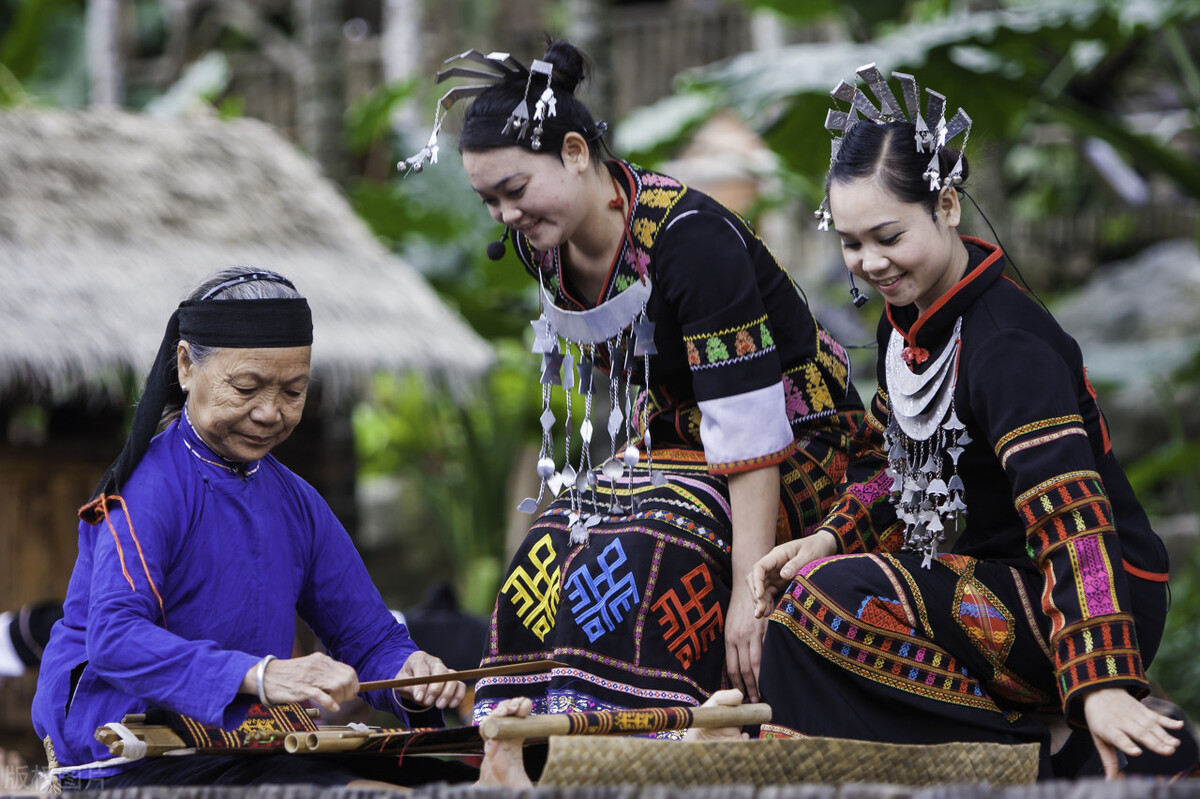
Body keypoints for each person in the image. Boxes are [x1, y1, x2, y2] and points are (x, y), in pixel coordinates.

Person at [397, 39, 863, 724]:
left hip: (798, 445)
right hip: (677, 442)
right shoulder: (542, 246)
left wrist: (747, 596)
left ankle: (648, 726)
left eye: (515, 189)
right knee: (551, 537)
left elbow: (751, 430)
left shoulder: (692, 240)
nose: (503, 215)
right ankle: (532, 719)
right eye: (488, 198)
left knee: (651, 545)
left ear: (578, 152)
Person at [748, 67, 1180, 780]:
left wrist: (1102, 679)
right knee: (807, 600)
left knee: (827, 604)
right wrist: (823, 538)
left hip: (1091, 597)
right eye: (852, 243)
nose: (870, 263)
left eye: (888, 235)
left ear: (947, 205)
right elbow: (897, 471)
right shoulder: (907, 326)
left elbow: (1072, 518)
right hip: (1001, 580)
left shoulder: (1006, 343)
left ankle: (1044, 750)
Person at [31, 267, 466, 789]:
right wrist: (264, 675)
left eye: (293, 391)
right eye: (246, 387)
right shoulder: (149, 488)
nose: (270, 412)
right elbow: (115, 638)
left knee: (444, 782)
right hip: (130, 757)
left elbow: (369, 639)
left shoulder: (297, 502)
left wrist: (407, 676)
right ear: (186, 365)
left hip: (245, 745)